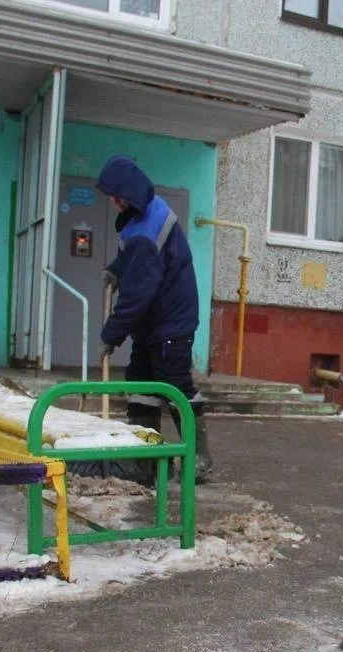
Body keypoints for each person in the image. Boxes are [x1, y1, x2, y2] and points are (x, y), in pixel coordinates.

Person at [95, 155, 213, 483]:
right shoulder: (148, 210)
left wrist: (110, 335)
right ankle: (147, 462)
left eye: (115, 195)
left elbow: (137, 295)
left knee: (174, 385)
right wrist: (116, 270)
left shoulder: (144, 234)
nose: (113, 201)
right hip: (155, 324)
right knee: (140, 386)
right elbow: (138, 263)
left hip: (169, 324)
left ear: (127, 195)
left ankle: (199, 458)